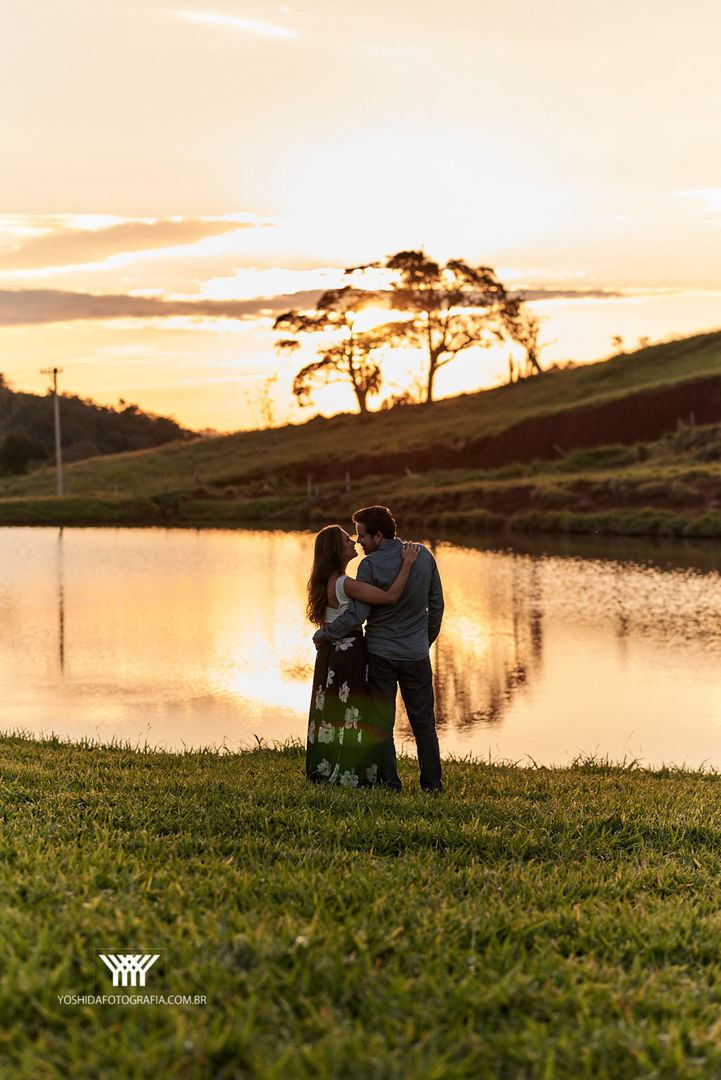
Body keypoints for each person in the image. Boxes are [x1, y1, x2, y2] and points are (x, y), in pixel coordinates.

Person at [313, 505, 444, 792]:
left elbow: (355, 617)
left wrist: (324, 634)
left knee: (382, 724)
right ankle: (432, 786)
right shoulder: (422, 555)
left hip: (381, 655)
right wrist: (424, 640)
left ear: (379, 536)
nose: (358, 541)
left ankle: (390, 784)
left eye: (361, 535)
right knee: (424, 724)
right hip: (416, 655)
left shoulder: (369, 567)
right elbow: (437, 606)